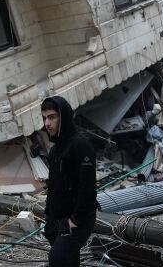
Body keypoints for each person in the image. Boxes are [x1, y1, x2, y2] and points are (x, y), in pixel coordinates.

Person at [41, 96, 96, 267]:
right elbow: (53, 186)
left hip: (77, 219)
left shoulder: (81, 146)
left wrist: (75, 220)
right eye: (44, 118)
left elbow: (88, 189)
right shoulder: (56, 150)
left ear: (63, 117)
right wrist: (49, 215)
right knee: (69, 261)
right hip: (57, 219)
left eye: (52, 117)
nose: (47, 123)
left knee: (58, 259)